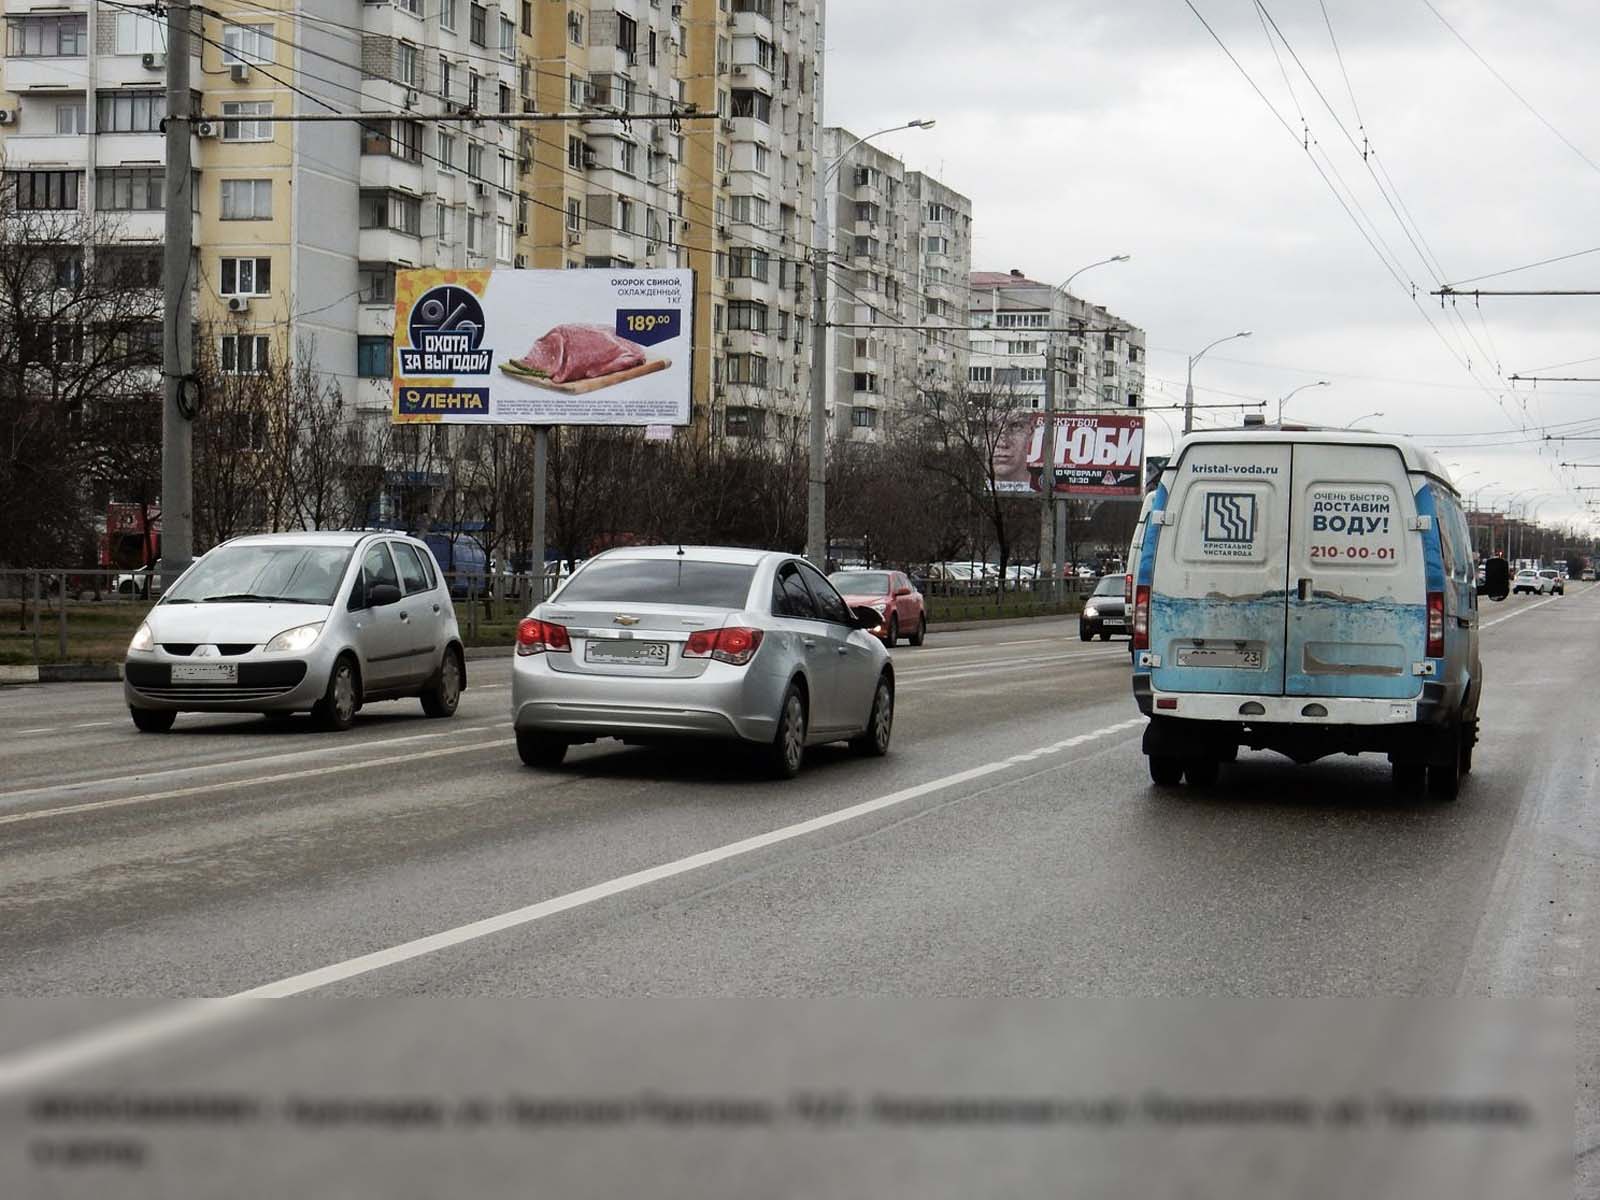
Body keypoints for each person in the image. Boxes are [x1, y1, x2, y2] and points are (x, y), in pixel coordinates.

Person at [990, 410, 1038, 491]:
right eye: (992, 426)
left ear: (1031, 431)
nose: (1002, 444)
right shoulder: (971, 487)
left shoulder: (1050, 488)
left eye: (1015, 426)